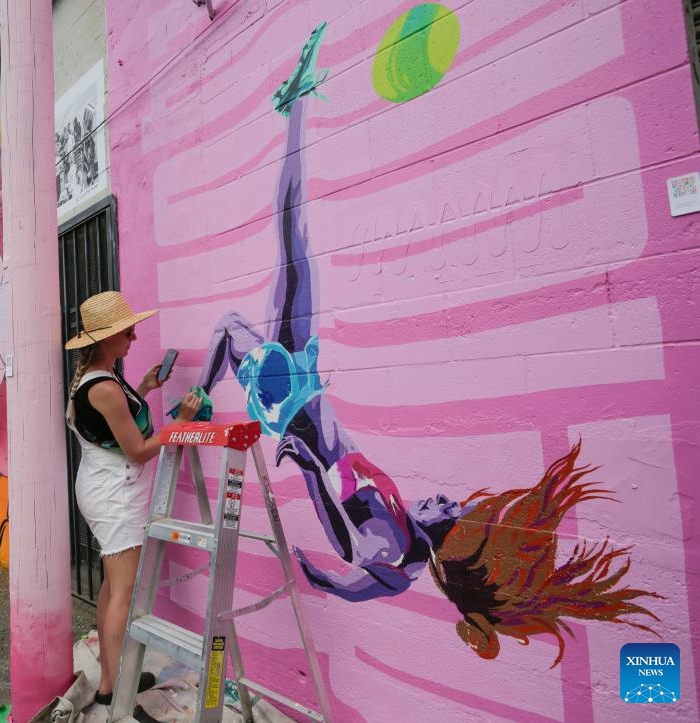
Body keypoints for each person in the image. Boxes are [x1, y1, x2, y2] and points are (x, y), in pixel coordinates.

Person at [198, 23, 658, 664]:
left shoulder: (393, 547)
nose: (448, 498)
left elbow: (352, 563)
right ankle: (297, 106)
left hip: (292, 400)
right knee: (289, 247)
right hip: (301, 386)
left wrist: (309, 483)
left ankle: (296, 108)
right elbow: (354, 574)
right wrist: (325, 552)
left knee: (283, 252)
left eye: (453, 508)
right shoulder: (407, 549)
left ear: (458, 544)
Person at [65, 290, 200, 717]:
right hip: (116, 493)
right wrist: (179, 425)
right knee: (123, 591)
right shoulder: (104, 386)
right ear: (107, 338)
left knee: (111, 586)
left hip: (106, 486)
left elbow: (117, 422)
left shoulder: (98, 375)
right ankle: (117, 694)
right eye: (128, 332)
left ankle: (109, 681)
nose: (134, 338)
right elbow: (139, 450)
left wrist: (143, 386)